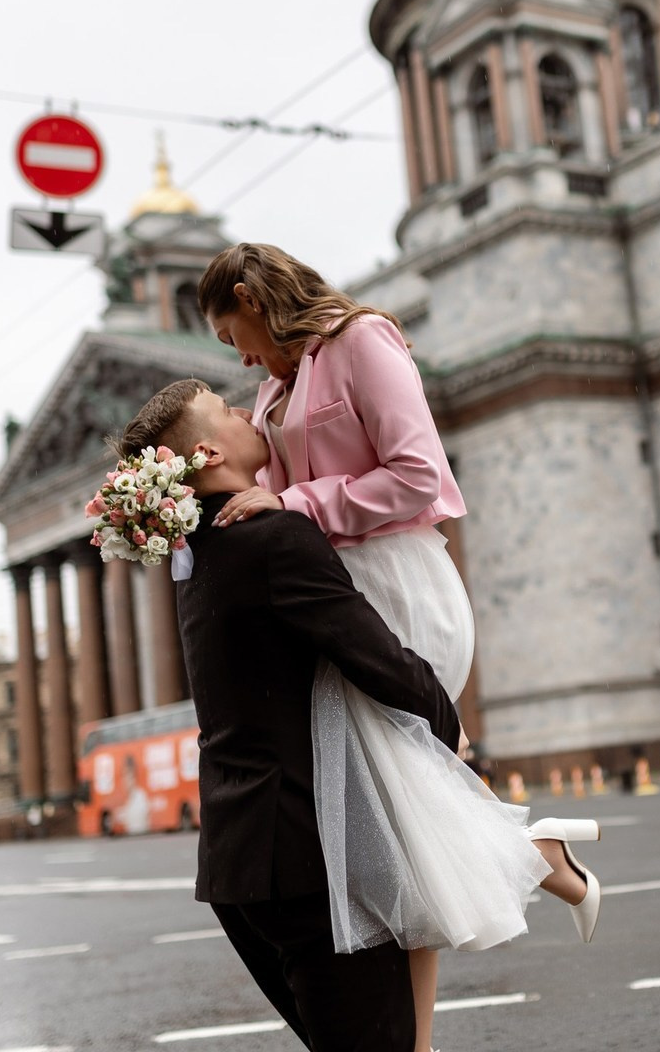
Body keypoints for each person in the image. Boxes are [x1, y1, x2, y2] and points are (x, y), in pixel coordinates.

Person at [196, 244, 600, 1052]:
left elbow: (422, 479)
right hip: (338, 595)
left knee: (386, 825)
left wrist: (296, 502)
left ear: (251, 296)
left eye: (228, 330)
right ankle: (534, 862)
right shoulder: (275, 385)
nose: (235, 355)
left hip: (397, 582)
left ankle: (538, 856)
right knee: (390, 838)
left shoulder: (364, 341)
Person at [111, 380, 464, 1052]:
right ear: (210, 452)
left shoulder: (196, 557)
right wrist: (450, 729)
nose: (248, 412)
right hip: (307, 861)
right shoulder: (273, 538)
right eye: (227, 409)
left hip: (237, 867)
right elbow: (376, 658)